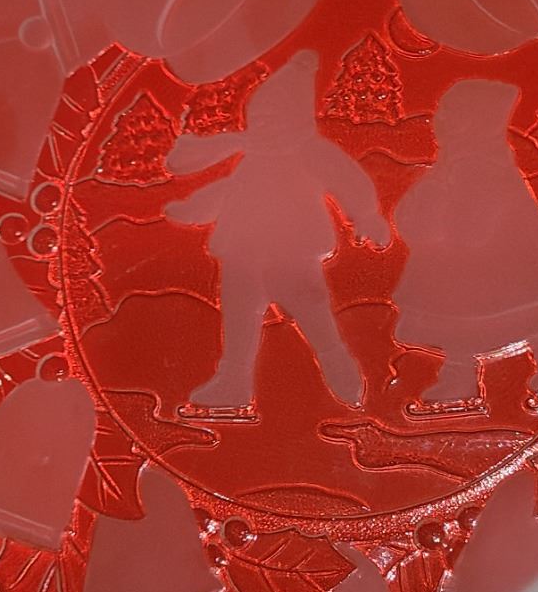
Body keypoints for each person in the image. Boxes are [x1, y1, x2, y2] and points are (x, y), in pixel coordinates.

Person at [166, 53, 389, 411]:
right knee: (239, 318)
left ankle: (340, 370)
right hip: (241, 255)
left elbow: (347, 179)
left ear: (296, 119)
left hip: (292, 256)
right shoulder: (251, 157)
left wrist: (365, 215)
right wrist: (195, 208)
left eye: (275, 117)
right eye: (259, 117)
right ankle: (233, 382)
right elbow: (227, 190)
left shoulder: (310, 152)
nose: (266, 124)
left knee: (313, 314)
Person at [393, 79, 538, 402]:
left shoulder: (480, 169)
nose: (439, 121)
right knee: (467, 322)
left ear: (472, 123)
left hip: (495, 269)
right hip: (477, 270)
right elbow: (413, 214)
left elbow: (469, 230)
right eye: (442, 113)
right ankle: (463, 377)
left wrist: (438, 212)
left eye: (449, 114)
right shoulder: (454, 165)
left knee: (503, 313)